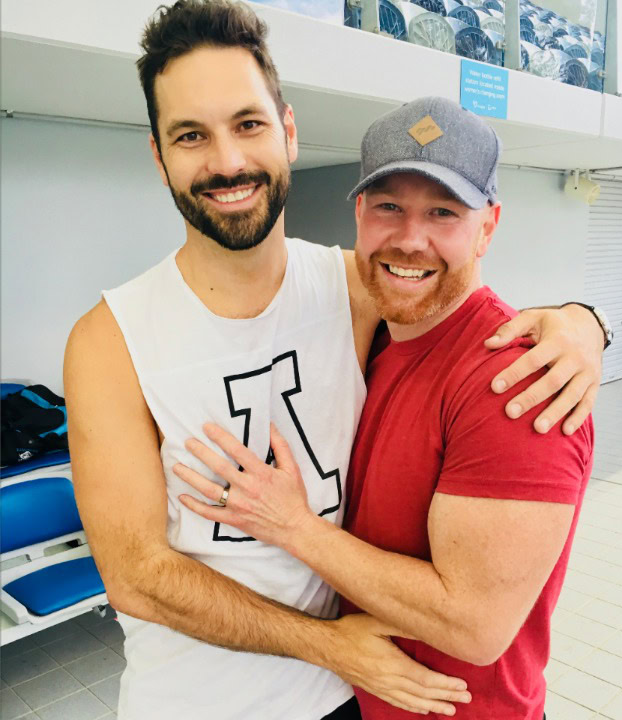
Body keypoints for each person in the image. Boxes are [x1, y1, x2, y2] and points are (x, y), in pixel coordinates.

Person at [63, 4, 605, 718]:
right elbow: (138, 577)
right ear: (160, 158)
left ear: (288, 133)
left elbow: (448, 294)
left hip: (347, 699)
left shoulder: (354, 287)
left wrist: (582, 324)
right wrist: (329, 645)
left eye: (248, 124)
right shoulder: (108, 339)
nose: (226, 161)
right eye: (191, 135)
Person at [172, 97, 599, 720]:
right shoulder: (374, 334)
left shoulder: (517, 382)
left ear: (488, 226)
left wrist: (290, 524)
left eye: (444, 213)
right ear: (359, 214)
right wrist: (587, 318)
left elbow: (474, 627)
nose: (410, 239)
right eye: (389, 207)